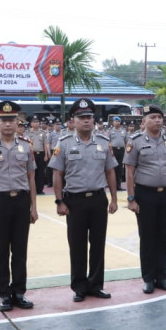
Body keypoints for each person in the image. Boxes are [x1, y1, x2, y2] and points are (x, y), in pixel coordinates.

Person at [49, 98, 119, 302]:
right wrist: (59, 201)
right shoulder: (64, 143)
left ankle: (96, 285)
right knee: (77, 245)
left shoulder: (103, 142)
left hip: (98, 199)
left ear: (94, 120)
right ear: (73, 121)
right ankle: (79, 286)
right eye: (81, 117)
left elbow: (110, 172)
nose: (86, 120)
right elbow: (57, 174)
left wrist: (114, 199)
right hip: (74, 202)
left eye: (89, 117)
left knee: (98, 244)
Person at [0, 100, 38, 312]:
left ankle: (19, 292)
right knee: (1, 251)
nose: (8, 124)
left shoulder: (26, 145)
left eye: (11, 120)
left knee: (20, 250)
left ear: (17, 122)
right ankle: (3, 294)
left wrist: (33, 207)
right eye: (3, 120)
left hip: (21, 202)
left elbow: (31, 178)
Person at [124, 105, 166, 294]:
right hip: (145, 194)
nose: (157, 120)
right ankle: (148, 278)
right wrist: (131, 198)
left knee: (164, 237)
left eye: (159, 117)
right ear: (144, 121)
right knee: (148, 237)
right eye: (153, 117)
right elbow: (129, 171)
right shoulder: (135, 141)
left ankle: (162, 277)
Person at [25, 116, 50, 194]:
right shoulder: (27, 133)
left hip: (41, 154)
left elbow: (45, 144)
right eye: (34, 122)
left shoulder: (43, 133)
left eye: (37, 122)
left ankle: (40, 189)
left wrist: (46, 155)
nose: (36, 123)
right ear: (31, 123)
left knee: (41, 172)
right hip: (32, 154)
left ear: (39, 123)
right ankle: (32, 189)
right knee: (32, 172)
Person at [108, 115, 127, 191]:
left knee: (120, 169)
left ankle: (119, 186)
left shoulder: (123, 131)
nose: (117, 122)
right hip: (113, 150)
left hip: (121, 150)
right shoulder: (110, 131)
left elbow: (126, 142)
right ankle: (113, 186)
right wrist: (110, 150)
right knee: (113, 168)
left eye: (118, 121)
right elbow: (108, 141)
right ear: (113, 122)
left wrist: (126, 151)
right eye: (116, 121)